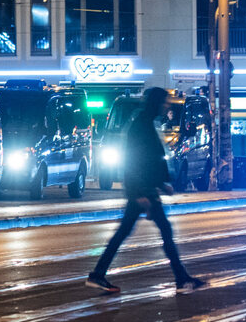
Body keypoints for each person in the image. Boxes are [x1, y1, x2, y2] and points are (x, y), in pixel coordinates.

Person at [86, 87, 207, 295]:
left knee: (128, 232)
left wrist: (161, 184)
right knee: (162, 233)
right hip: (142, 191)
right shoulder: (141, 126)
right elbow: (135, 161)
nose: (167, 106)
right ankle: (181, 278)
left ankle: (98, 274)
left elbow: (151, 160)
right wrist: (139, 192)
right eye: (164, 102)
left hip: (145, 189)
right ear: (156, 103)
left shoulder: (146, 123)